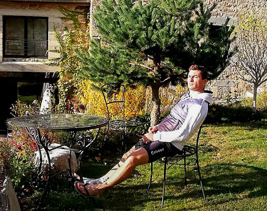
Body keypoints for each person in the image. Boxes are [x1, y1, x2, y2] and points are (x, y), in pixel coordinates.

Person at [75, 64, 213, 196]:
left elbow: (183, 135)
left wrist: (156, 136)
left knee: (132, 160)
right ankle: (97, 181)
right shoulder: (188, 96)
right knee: (127, 156)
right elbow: (173, 118)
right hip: (159, 135)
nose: (190, 79)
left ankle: (100, 189)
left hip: (171, 143)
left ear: (204, 81)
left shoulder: (199, 105)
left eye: (195, 77)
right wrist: (157, 127)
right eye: (189, 76)